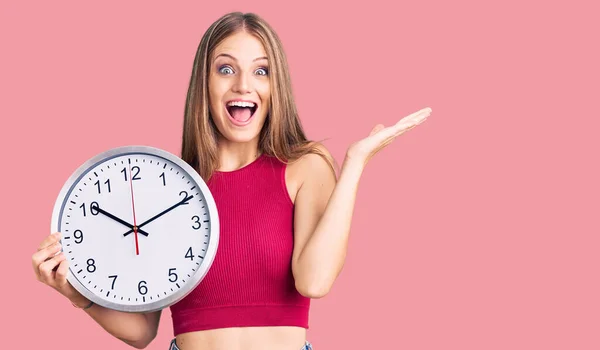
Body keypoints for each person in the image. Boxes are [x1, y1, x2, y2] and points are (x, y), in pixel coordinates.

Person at [31, 11, 431, 350]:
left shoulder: (305, 168)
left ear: (276, 87)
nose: (243, 85)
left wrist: (356, 162)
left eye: (261, 71)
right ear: (204, 84)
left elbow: (314, 280)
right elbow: (144, 330)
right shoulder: (168, 186)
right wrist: (75, 293)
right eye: (226, 69)